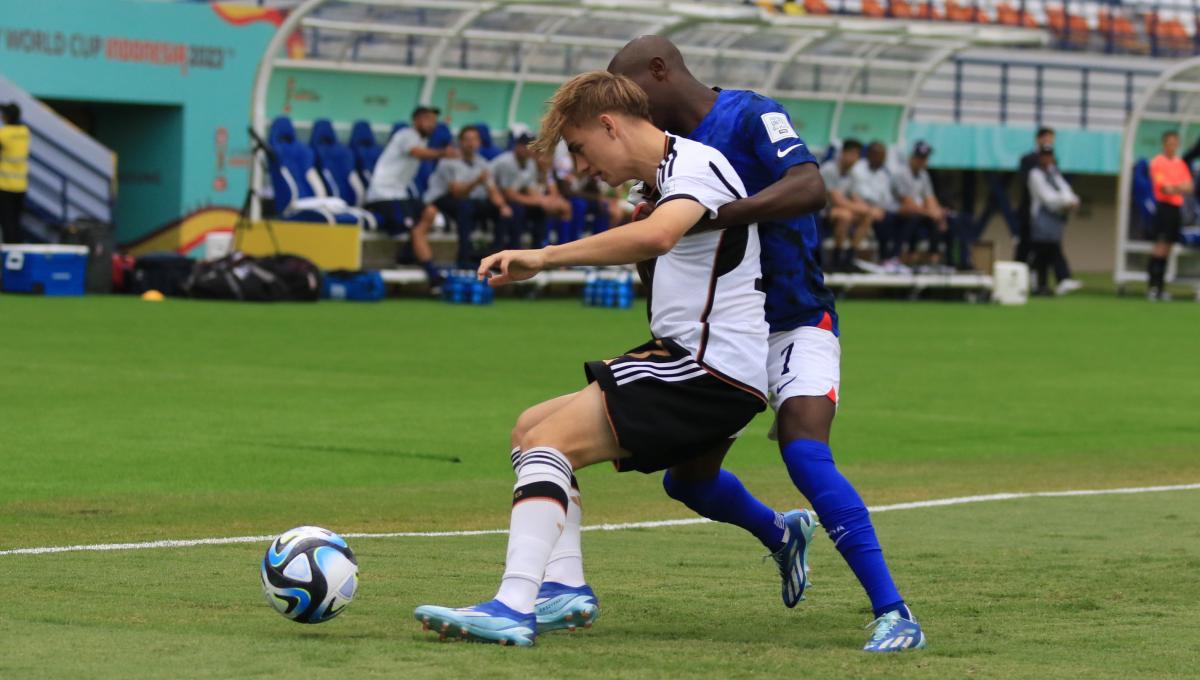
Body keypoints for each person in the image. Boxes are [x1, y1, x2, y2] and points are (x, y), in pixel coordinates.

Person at [413, 70, 770, 647]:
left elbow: (657, 238)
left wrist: (545, 256)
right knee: (529, 429)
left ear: (609, 125)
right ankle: (565, 588)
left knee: (549, 442)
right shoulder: (659, 180)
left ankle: (513, 603)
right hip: (699, 362)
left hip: (711, 369)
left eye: (579, 148)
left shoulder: (694, 166)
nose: (579, 167)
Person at [610, 36, 922, 652]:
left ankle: (895, 613)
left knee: (805, 454)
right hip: (728, 334)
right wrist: (650, 238)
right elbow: (663, 260)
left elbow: (810, 188)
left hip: (798, 318)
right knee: (688, 482)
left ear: (659, 70)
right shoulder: (666, 160)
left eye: (633, 95)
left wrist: (721, 216)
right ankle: (782, 536)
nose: (630, 112)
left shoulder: (751, 113)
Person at [364, 105, 455, 288]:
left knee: (430, 212)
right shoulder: (405, 135)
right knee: (413, 226)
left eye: (433, 121)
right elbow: (417, 153)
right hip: (382, 196)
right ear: (415, 120)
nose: (431, 124)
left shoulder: (421, 140)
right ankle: (433, 276)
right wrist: (443, 153)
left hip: (400, 195)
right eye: (427, 119)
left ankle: (408, 254)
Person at [415, 126, 511, 268]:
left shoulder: (482, 162)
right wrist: (477, 181)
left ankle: (495, 258)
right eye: (467, 140)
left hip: (466, 201)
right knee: (465, 207)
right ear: (460, 142)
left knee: (501, 211)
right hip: (440, 199)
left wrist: (503, 207)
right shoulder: (449, 161)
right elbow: (457, 193)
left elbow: (492, 190)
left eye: (474, 139)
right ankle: (463, 259)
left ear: (479, 143)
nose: (471, 143)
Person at [1017, 128, 1081, 295]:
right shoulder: (1034, 171)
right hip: (1037, 216)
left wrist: (1072, 200)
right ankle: (1035, 281)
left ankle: (1044, 283)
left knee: (1046, 251)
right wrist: (1066, 202)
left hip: (1053, 217)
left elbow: (1064, 188)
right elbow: (1047, 197)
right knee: (1036, 250)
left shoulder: (1053, 171)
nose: (1048, 158)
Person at [891, 141, 953, 271]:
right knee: (914, 217)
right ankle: (898, 257)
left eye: (925, 158)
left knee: (940, 219)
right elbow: (908, 202)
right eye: (920, 158)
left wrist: (938, 214)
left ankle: (934, 261)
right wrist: (930, 212)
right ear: (912, 157)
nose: (922, 161)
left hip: (919, 212)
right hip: (897, 213)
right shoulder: (901, 174)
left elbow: (930, 198)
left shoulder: (924, 175)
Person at [490, 132, 556, 251]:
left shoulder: (530, 163)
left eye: (531, 147)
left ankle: (538, 251)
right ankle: (513, 250)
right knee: (517, 210)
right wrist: (538, 201)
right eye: (526, 146)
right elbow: (509, 194)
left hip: (511, 199)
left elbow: (530, 189)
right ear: (517, 146)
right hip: (491, 199)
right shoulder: (506, 162)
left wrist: (542, 201)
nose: (529, 150)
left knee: (541, 210)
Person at [1148, 130, 1192, 301]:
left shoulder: (1180, 163)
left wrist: (1176, 187)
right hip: (1163, 207)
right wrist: (1178, 187)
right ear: (1164, 144)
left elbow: (1189, 186)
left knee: (1169, 247)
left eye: (1175, 144)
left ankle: (1161, 288)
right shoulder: (1158, 162)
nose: (1172, 147)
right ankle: (1153, 286)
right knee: (1160, 246)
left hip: (1176, 208)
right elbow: (1163, 187)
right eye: (1170, 143)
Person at [852, 141, 909, 274]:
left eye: (884, 156)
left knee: (904, 217)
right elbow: (858, 195)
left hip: (880, 210)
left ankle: (893, 258)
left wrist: (884, 209)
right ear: (870, 155)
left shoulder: (884, 173)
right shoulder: (858, 169)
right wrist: (873, 209)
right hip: (862, 208)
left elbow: (887, 198)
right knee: (884, 220)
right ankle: (884, 257)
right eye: (879, 155)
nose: (882, 159)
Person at [819, 139, 872, 272]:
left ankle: (849, 258)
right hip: (821, 212)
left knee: (867, 217)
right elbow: (837, 200)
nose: (855, 158)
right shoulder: (829, 169)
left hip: (840, 211)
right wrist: (862, 208)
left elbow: (855, 197)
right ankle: (836, 258)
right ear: (843, 153)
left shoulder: (852, 174)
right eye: (852, 154)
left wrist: (866, 210)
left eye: (857, 155)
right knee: (845, 216)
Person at [0, 103, 30, 244]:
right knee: (17, 222)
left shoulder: (4, 133)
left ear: (7, 116)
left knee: (7, 223)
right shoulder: (25, 132)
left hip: (5, 185)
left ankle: (8, 256)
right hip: (21, 185)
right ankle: (16, 252)